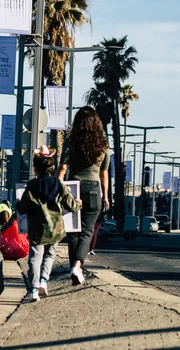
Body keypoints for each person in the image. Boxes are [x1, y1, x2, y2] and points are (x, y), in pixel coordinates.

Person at [16, 146, 81, 302]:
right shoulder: (59, 185)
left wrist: (18, 203)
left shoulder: (31, 186)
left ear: (36, 168)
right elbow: (71, 206)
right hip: (56, 228)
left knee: (34, 258)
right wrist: (79, 203)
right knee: (50, 254)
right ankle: (44, 281)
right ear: (52, 168)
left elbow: (23, 207)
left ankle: (33, 290)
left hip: (37, 229)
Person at [56, 106, 110, 285]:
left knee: (73, 231)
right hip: (94, 189)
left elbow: (63, 168)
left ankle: (74, 266)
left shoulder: (71, 142)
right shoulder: (103, 144)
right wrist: (106, 197)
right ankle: (77, 266)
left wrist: (57, 187)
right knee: (87, 231)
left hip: (72, 188)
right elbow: (104, 173)